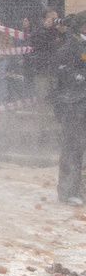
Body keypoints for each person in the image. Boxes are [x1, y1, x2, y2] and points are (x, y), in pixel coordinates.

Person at [51, 12, 86, 205]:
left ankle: (81, 191)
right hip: (73, 104)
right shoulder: (70, 46)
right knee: (73, 146)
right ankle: (67, 191)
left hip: (81, 102)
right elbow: (64, 74)